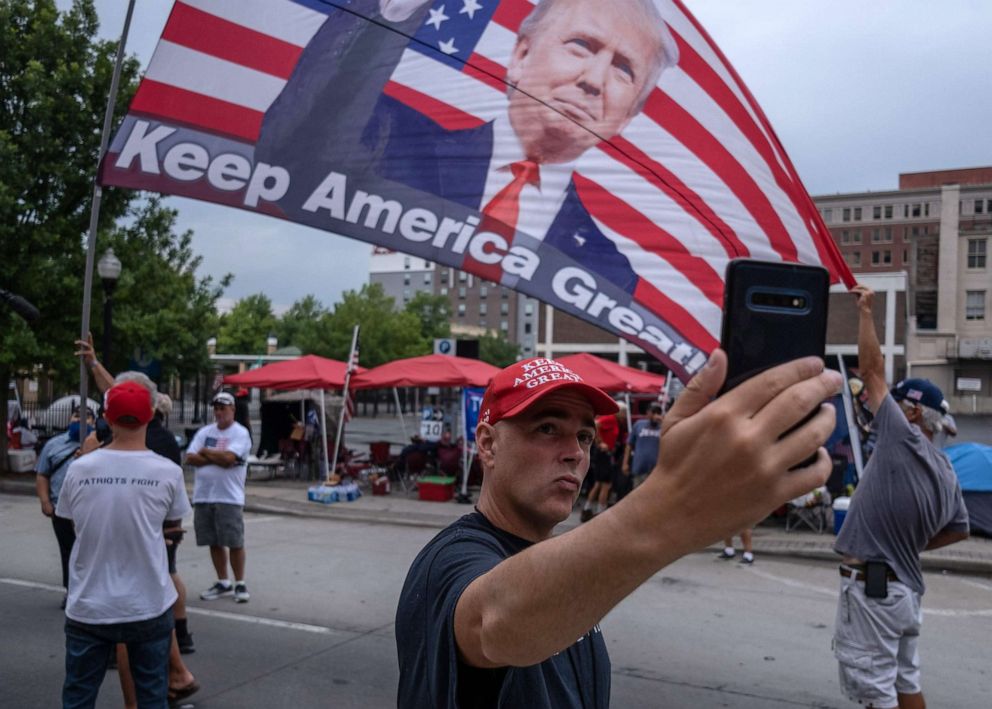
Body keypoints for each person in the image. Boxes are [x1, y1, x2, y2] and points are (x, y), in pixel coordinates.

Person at [396, 353, 841, 707]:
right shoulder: (452, 557)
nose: (573, 452)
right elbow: (494, 621)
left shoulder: (561, 563)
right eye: (547, 428)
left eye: (585, 437)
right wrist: (671, 509)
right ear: (489, 445)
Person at [364, 0, 679, 287]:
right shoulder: (389, 144)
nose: (594, 80)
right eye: (581, 45)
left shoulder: (611, 273)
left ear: (626, 119)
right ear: (521, 57)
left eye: (623, 69)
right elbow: (321, 101)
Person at [833, 285, 969, 709]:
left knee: (876, 693)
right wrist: (907, 543)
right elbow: (959, 530)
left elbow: (871, 373)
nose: (883, 406)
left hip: (876, 592)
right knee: (905, 683)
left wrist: (867, 313)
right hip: (904, 593)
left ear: (911, 413)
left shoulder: (901, 438)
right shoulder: (946, 470)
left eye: (893, 403)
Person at [57, 381, 191, 708]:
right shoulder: (168, 472)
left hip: (90, 604)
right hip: (147, 604)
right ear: (150, 416)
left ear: (106, 418)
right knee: (151, 696)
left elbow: (74, 522)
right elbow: (173, 526)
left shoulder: (79, 469)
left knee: (78, 697)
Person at [187, 391, 253, 603]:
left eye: (223, 408)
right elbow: (190, 458)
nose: (219, 412)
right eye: (216, 408)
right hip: (204, 496)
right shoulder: (205, 431)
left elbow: (229, 459)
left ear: (232, 409)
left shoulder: (240, 433)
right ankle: (223, 581)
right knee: (213, 541)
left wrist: (205, 452)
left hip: (229, 497)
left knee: (234, 541)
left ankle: (240, 582)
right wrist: (216, 457)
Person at [34, 404, 95, 609]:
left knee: (92, 553)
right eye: (77, 416)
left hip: (92, 513)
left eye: (86, 417)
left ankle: (93, 594)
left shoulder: (102, 445)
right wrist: (45, 501)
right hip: (61, 509)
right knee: (68, 552)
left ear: (93, 422)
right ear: (70, 419)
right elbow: (42, 474)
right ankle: (71, 593)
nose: (80, 420)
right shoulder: (54, 445)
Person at [622, 403, 663, 487]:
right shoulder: (639, 424)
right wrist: (625, 463)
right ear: (648, 413)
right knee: (637, 492)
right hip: (640, 467)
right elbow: (629, 445)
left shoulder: (663, 427)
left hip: (656, 470)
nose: (656, 415)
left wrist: (663, 422)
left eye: (658, 413)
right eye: (654, 412)